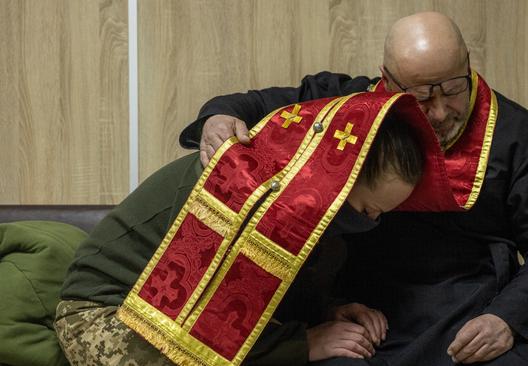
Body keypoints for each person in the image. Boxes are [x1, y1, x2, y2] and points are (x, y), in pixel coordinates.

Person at [179, 11, 528, 366]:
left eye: (454, 88)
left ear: (469, 65)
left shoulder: (518, 134)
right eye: (420, 96)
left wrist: (507, 317)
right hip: (364, 308)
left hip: (475, 304)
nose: (440, 111)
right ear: (387, 82)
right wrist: (218, 117)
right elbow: (251, 104)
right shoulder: (350, 102)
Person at [54, 98, 429, 365]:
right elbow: (212, 325)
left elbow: (272, 291)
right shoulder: (248, 193)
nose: (369, 223)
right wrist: (305, 343)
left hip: (168, 318)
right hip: (106, 316)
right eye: (366, 210)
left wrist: (328, 311)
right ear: (337, 184)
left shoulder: (292, 193)